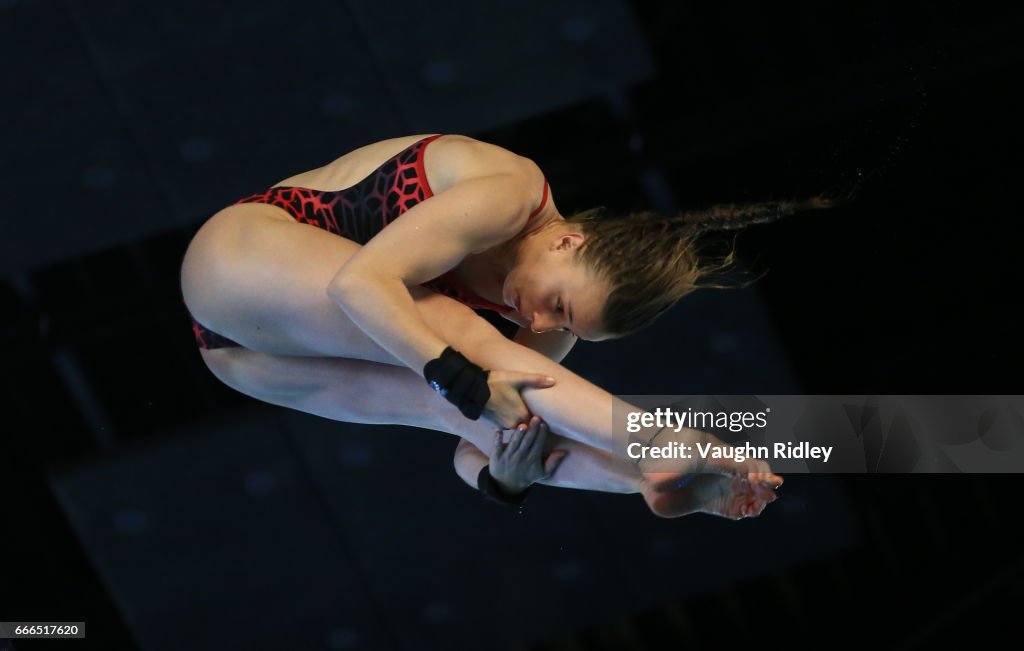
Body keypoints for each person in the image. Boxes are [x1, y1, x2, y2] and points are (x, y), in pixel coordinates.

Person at [180, 133, 836, 518]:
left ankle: (646, 478)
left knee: (482, 405)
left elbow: (470, 444)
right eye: (558, 302)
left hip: (248, 363)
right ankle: (661, 441)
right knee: (457, 342)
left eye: (565, 324)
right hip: (240, 257)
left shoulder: (538, 338)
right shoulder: (509, 191)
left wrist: (509, 479)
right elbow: (359, 284)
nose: (540, 320)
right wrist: (462, 376)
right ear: (568, 243)